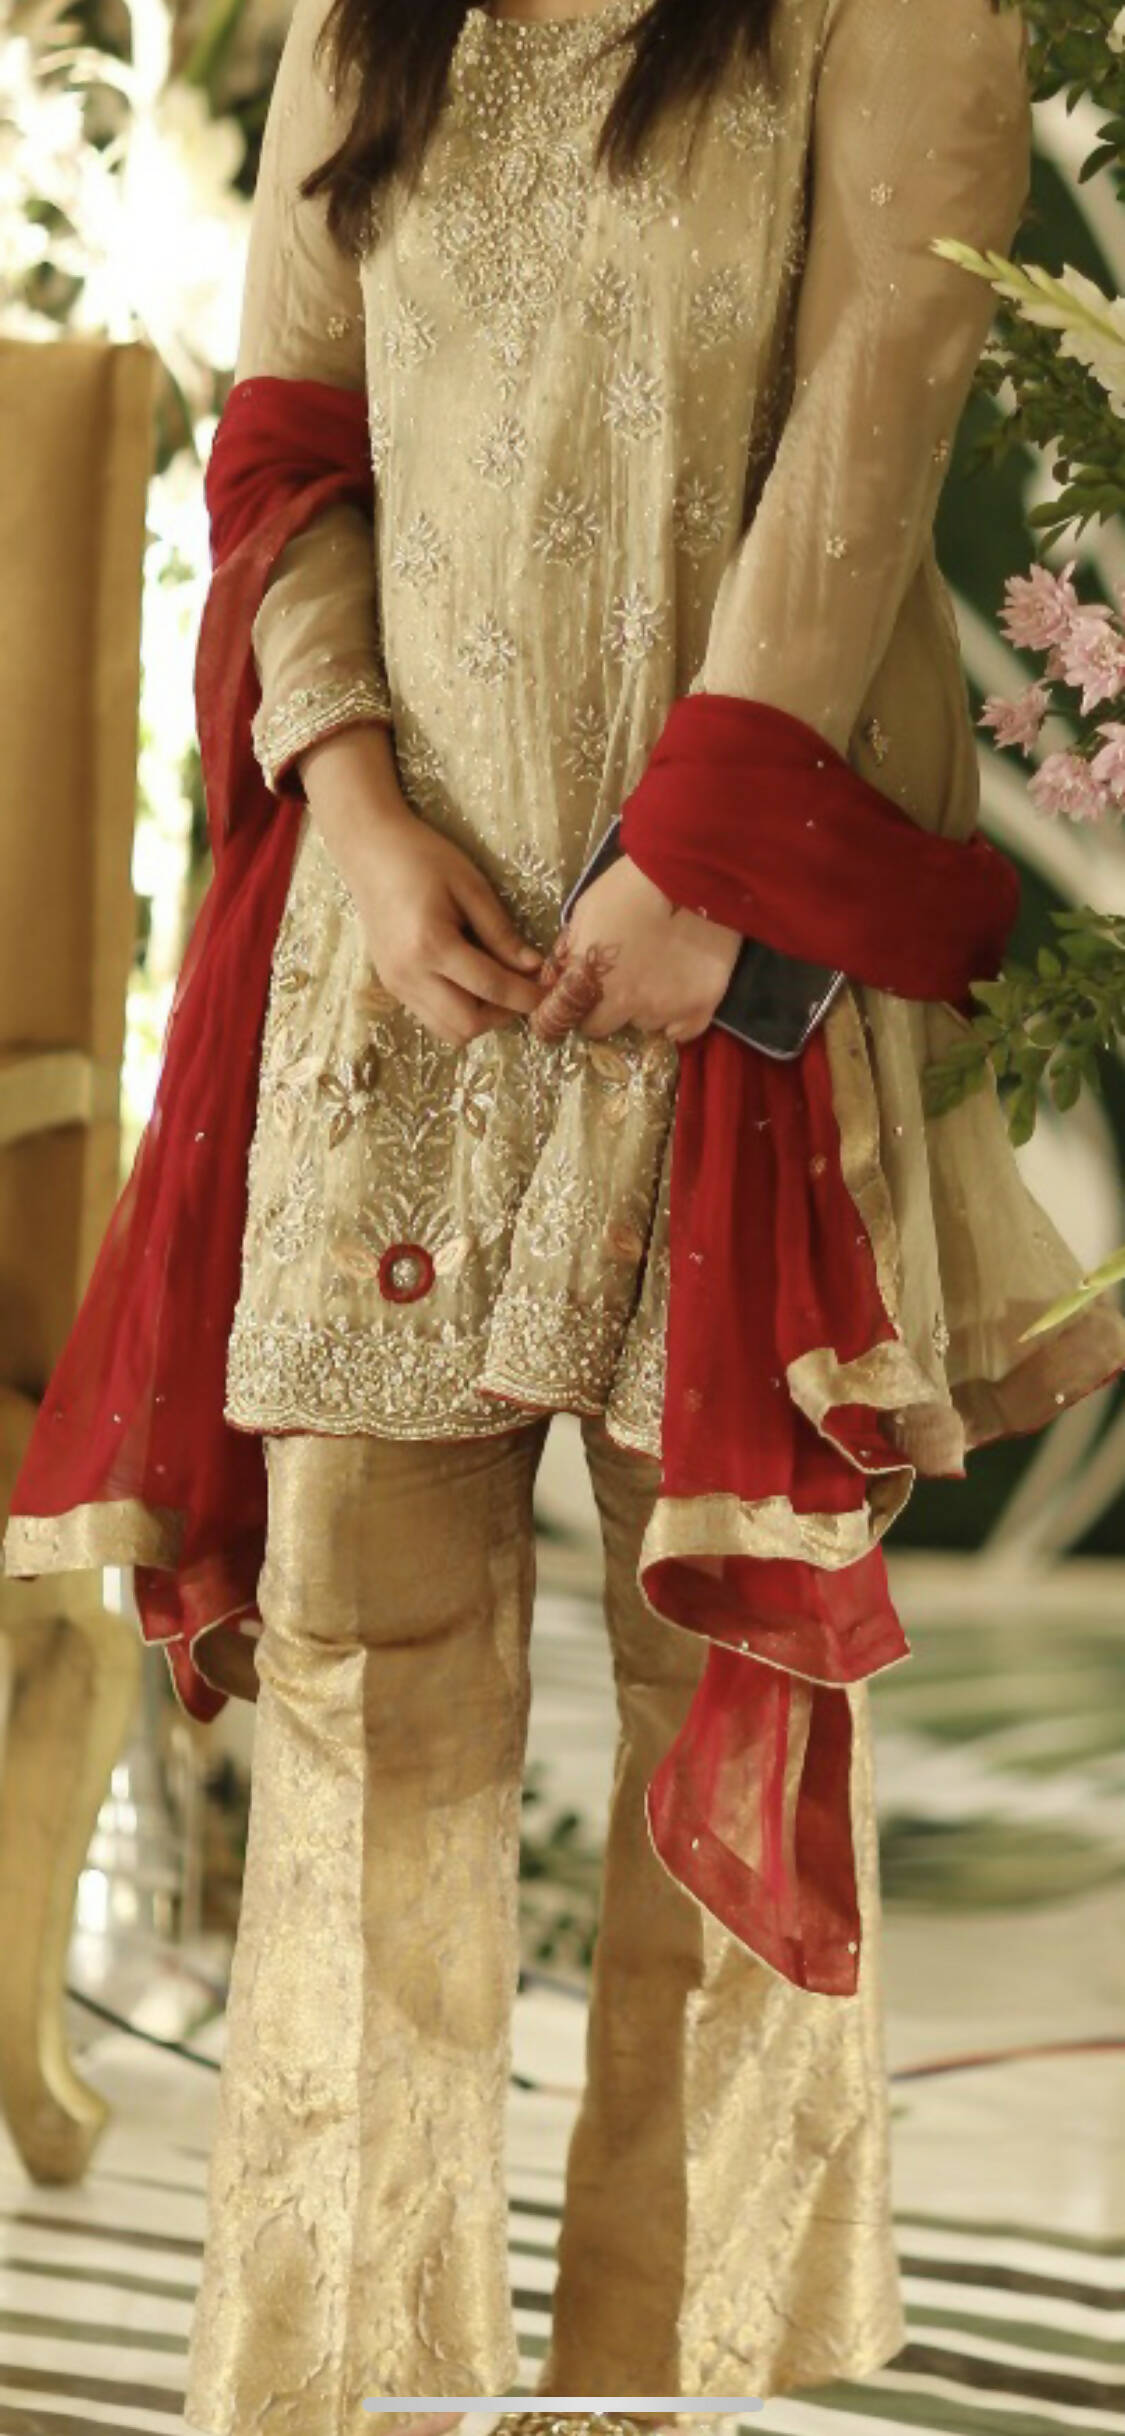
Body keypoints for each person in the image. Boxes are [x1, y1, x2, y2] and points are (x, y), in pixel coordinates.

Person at [6, 0, 1123, 2430]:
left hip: (716, 954)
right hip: (399, 955)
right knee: (360, 1683)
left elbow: (872, 408)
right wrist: (350, 798)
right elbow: (291, 440)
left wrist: (697, 860)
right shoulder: (369, 22)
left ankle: (659, 2397)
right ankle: (339, 2384)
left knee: (707, 1684)